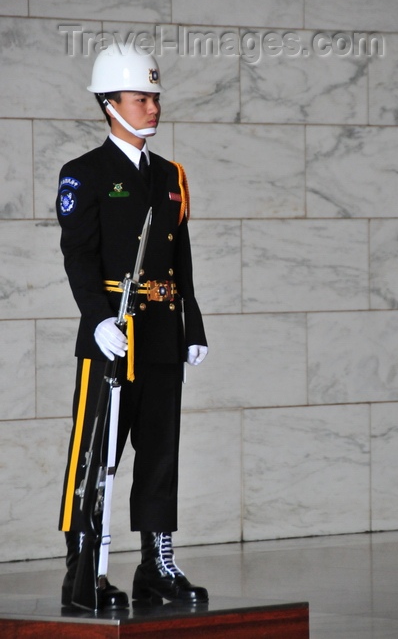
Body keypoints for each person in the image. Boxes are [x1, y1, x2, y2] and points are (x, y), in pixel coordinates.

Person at [56, 43, 209, 610]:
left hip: (162, 334)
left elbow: (180, 259)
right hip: (113, 334)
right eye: (141, 98)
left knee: (160, 452)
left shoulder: (171, 177)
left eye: (154, 97)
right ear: (109, 104)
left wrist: (192, 325)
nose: (152, 107)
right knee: (95, 454)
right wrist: (97, 321)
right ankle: (83, 569)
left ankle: (156, 564)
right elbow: (79, 256)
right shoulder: (85, 174)